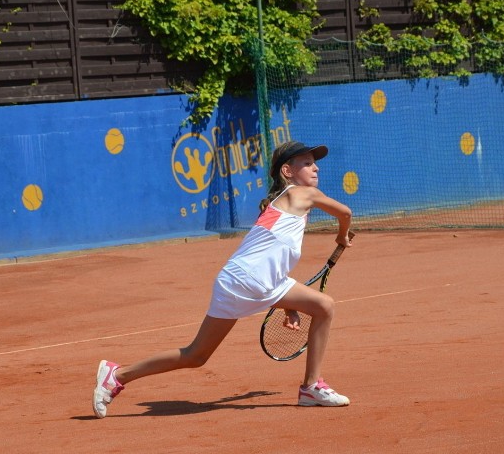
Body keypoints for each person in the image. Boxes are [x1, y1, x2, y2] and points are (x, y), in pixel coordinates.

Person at [92, 140, 353, 418]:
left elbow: (268, 259)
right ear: (287, 171)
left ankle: (117, 376)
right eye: (307, 163)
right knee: (323, 306)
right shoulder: (304, 194)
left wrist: (288, 304)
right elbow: (345, 212)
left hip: (246, 279)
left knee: (197, 355)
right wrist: (341, 234)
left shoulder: (280, 206)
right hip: (247, 281)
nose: (315, 168)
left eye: (315, 162)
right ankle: (311, 386)